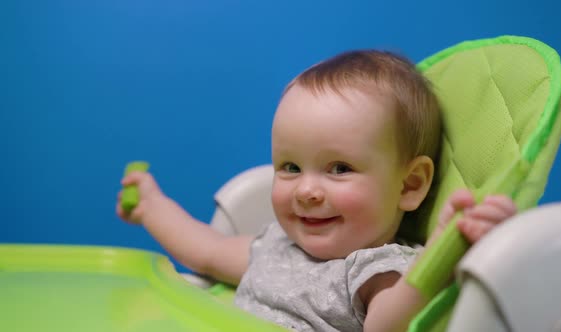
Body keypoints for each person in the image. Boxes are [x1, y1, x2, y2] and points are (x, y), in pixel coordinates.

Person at [116, 50, 517, 332]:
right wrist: (153, 206)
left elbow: (388, 324)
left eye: (339, 169)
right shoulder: (275, 247)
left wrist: (439, 256)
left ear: (409, 185)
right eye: (290, 167)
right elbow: (205, 251)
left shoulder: (376, 270)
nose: (306, 189)